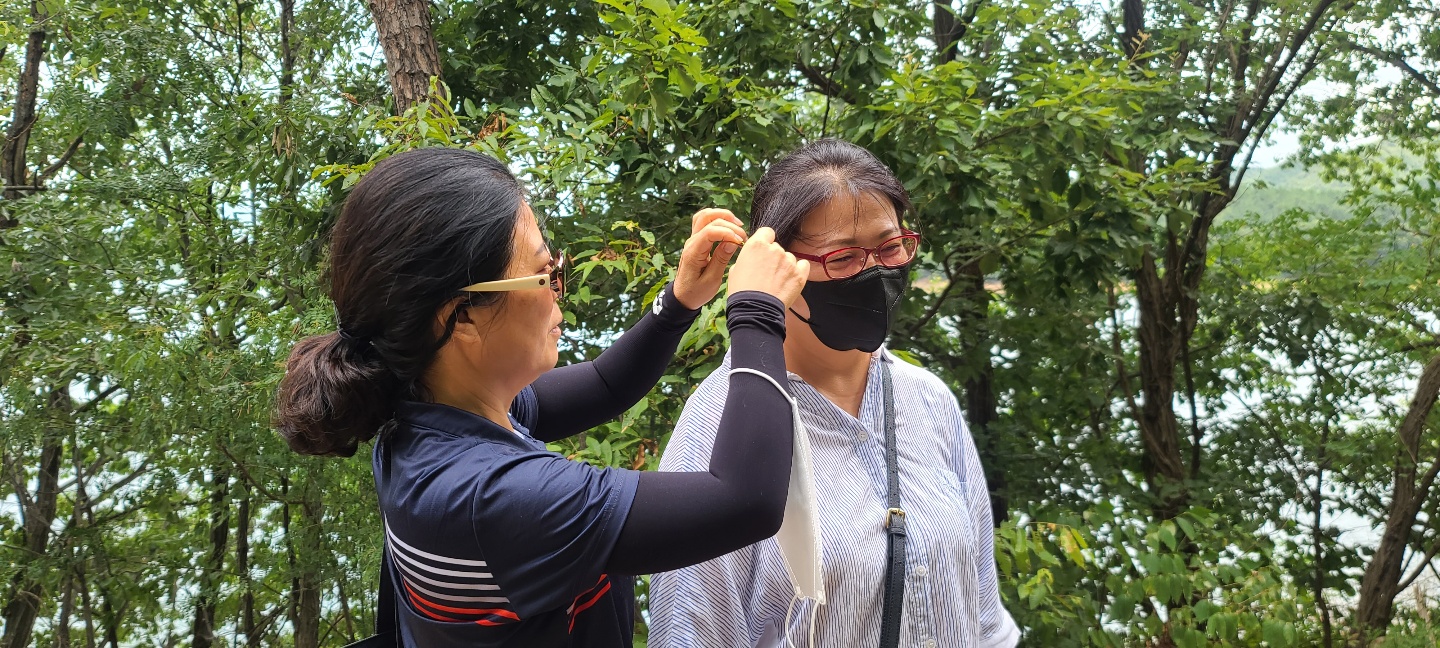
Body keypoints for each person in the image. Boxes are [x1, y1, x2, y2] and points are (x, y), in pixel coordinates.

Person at [273, 147, 809, 647]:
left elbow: (605, 385)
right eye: (541, 275)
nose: (557, 289)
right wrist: (757, 311)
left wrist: (680, 300)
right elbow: (746, 501)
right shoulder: (492, 496)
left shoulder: (425, 413)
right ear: (461, 317)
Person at [650, 139, 1020, 648]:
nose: (874, 272)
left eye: (890, 247)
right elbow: (691, 633)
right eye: (843, 257)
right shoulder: (719, 425)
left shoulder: (928, 402)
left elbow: (984, 621)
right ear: (780, 266)